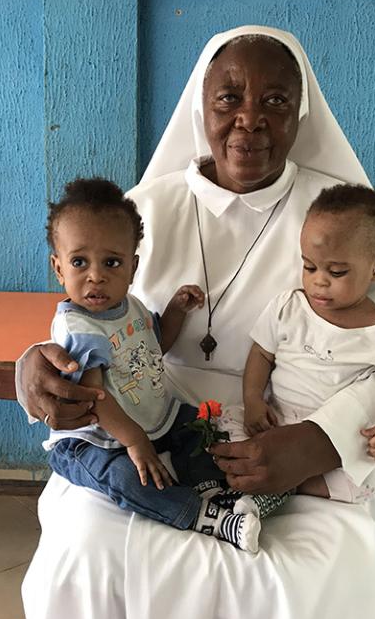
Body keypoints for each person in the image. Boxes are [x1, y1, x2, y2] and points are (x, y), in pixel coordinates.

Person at [19, 26, 375, 619]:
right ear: (203, 108)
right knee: (85, 553)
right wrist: (31, 366)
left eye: (275, 101)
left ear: (300, 116)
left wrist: (319, 442)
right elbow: (88, 317)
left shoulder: (341, 217)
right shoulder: (143, 206)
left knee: (312, 576)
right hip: (153, 427)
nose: (250, 120)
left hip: (292, 433)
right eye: (229, 99)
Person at [43, 176, 262, 552]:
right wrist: (135, 441)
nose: (96, 275)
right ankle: (203, 516)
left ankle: (210, 488)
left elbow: (154, 345)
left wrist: (175, 310)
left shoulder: (131, 306)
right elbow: (94, 397)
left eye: (112, 262)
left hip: (148, 414)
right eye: (79, 262)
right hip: (94, 438)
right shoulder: (79, 327)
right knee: (127, 479)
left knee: (196, 424)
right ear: (59, 268)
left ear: (132, 268)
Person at [218, 183, 375, 518]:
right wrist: (252, 400)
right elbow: (261, 354)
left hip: (323, 443)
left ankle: (288, 485)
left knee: (362, 483)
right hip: (273, 419)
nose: (319, 281)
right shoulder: (289, 307)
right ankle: (261, 484)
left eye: (336, 272)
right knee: (222, 433)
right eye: (309, 267)